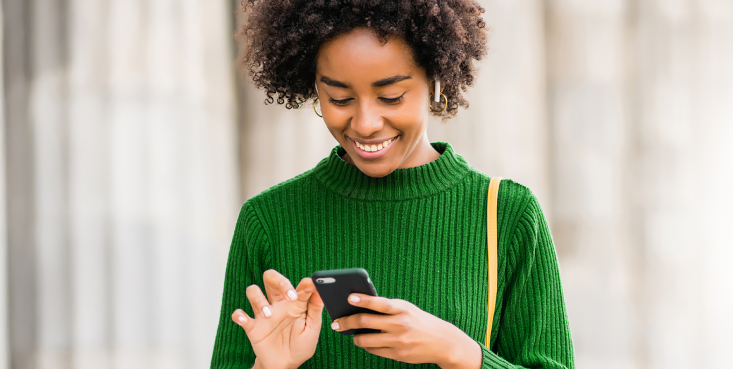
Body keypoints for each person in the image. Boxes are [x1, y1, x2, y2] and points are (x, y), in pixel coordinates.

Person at [209, 1, 574, 368]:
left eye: (391, 97)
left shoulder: (507, 214)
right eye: (340, 98)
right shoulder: (268, 221)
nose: (365, 123)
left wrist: (460, 353)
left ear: (435, 79)